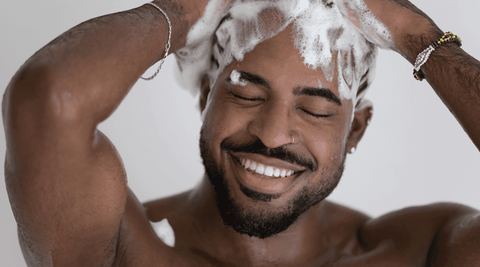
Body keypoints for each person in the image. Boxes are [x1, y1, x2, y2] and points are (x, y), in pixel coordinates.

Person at [3, 0, 480, 266]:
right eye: (246, 93)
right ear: (206, 92)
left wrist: (418, 36)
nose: (273, 135)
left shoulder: (424, 255)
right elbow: (47, 101)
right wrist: (182, 15)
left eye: (315, 109)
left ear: (354, 129)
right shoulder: (121, 250)